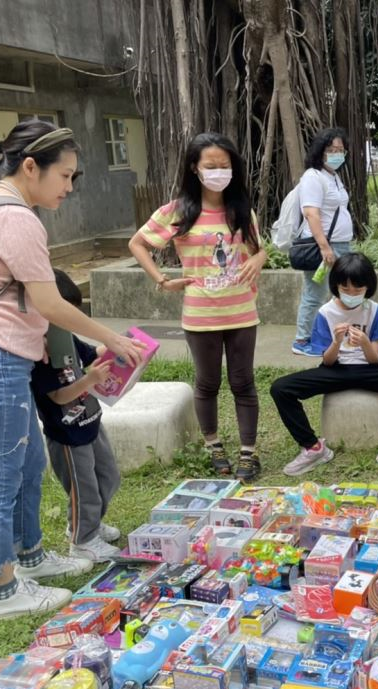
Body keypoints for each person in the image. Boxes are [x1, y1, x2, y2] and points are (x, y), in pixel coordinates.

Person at [0, 119, 145, 622]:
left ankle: (29, 556)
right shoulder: (14, 216)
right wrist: (110, 337)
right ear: (31, 167)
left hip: (2, 362)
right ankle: (2, 589)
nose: (70, 188)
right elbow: (50, 302)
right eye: (67, 176)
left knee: (29, 466)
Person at [129, 132, 266, 481]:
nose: (219, 171)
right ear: (195, 168)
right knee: (207, 383)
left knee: (244, 382)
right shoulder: (177, 212)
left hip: (241, 311)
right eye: (212, 165)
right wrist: (162, 279)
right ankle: (213, 445)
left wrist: (260, 259)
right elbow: (138, 243)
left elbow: (258, 249)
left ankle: (249, 454)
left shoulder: (241, 210)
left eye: (225, 165)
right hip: (200, 315)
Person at [271, 252, 378, 476]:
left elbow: (374, 359)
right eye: (345, 289)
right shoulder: (326, 313)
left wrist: (364, 342)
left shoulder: (374, 311)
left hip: (369, 369)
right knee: (280, 388)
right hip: (336, 369)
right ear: (336, 286)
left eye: (358, 290)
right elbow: (327, 360)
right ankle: (313, 448)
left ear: (368, 287)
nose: (351, 294)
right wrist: (336, 342)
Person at [31, 269, 122, 564]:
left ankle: (89, 525)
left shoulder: (65, 336)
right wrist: (89, 380)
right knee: (83, 489)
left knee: (108, 477)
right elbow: (59, 396)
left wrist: (119, 346)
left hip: (90, 421)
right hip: (67, 434)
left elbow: (91, 352)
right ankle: (82, 540)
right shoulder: (39, 351)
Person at [292, 128, 354, 356]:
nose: (337, 154)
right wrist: (325, 247)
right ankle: (301, 339)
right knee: (315, 293)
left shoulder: (334, 177)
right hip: (325, 248)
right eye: (331, 150)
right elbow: (311, 214)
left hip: (341, 245)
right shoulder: (313, 177)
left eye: (340, 150)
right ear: (320, 152)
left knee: (342, 290)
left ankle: (338, 334)